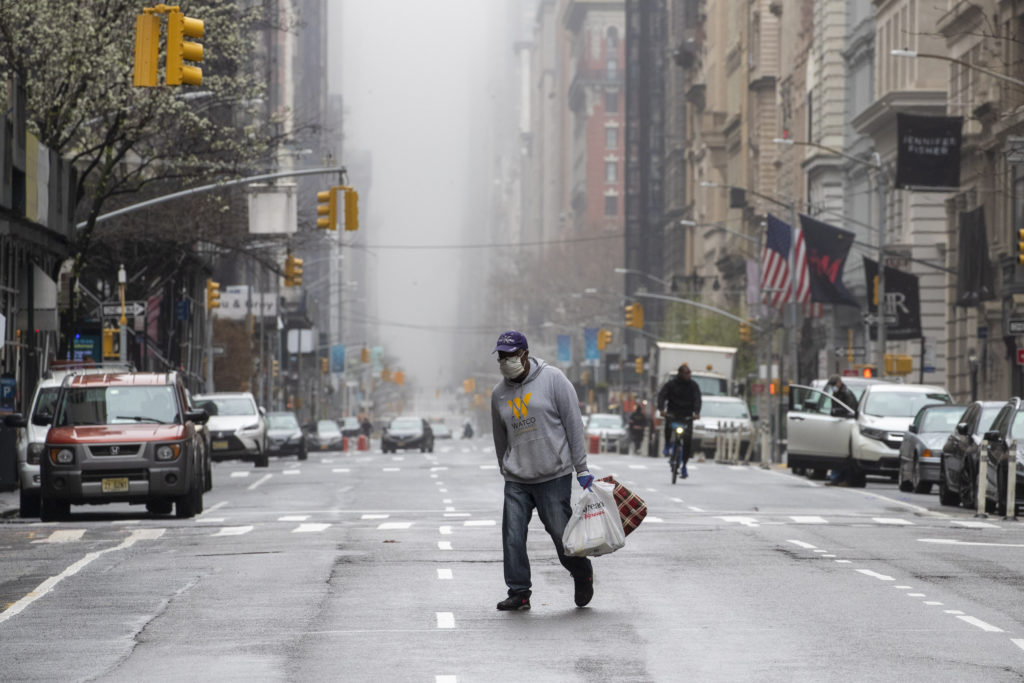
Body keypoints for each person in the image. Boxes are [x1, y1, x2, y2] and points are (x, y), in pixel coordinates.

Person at [490, 330, 595, 611]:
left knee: (562, 535)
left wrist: (581, 468)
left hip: (553, 474)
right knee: (512, 536)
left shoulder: (553, 380)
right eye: (501, 356)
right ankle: (519, 592)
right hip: (517, 479)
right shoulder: (498, 394)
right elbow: (500, 438)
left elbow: (573, 424)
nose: (505, 361)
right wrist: (506, 467)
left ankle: (581, 572)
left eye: (510, 355)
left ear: (524, 354)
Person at [656, 364, 702, 478]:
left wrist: (696, 412)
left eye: (689, 373)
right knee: (668, 426)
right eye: (686, 373)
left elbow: (697, 398)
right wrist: (661, 409)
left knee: (687, 442)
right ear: (680, 374)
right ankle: (667, 445)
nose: (688, 376)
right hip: (673, 413)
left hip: (687, 416)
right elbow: (661, 396)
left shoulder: (693, 385)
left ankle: (684, 466)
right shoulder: (671, 384)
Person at [824, 375, 860, 487]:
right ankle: (835, 478)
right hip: (838, 426)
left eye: (834, 385)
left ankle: (844, 479)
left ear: (839, 383)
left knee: (845, 456)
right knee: (837, 454)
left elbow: (850, 410)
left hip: (846, 427)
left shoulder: (847, 394)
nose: (833, 388)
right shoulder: (836, 394)